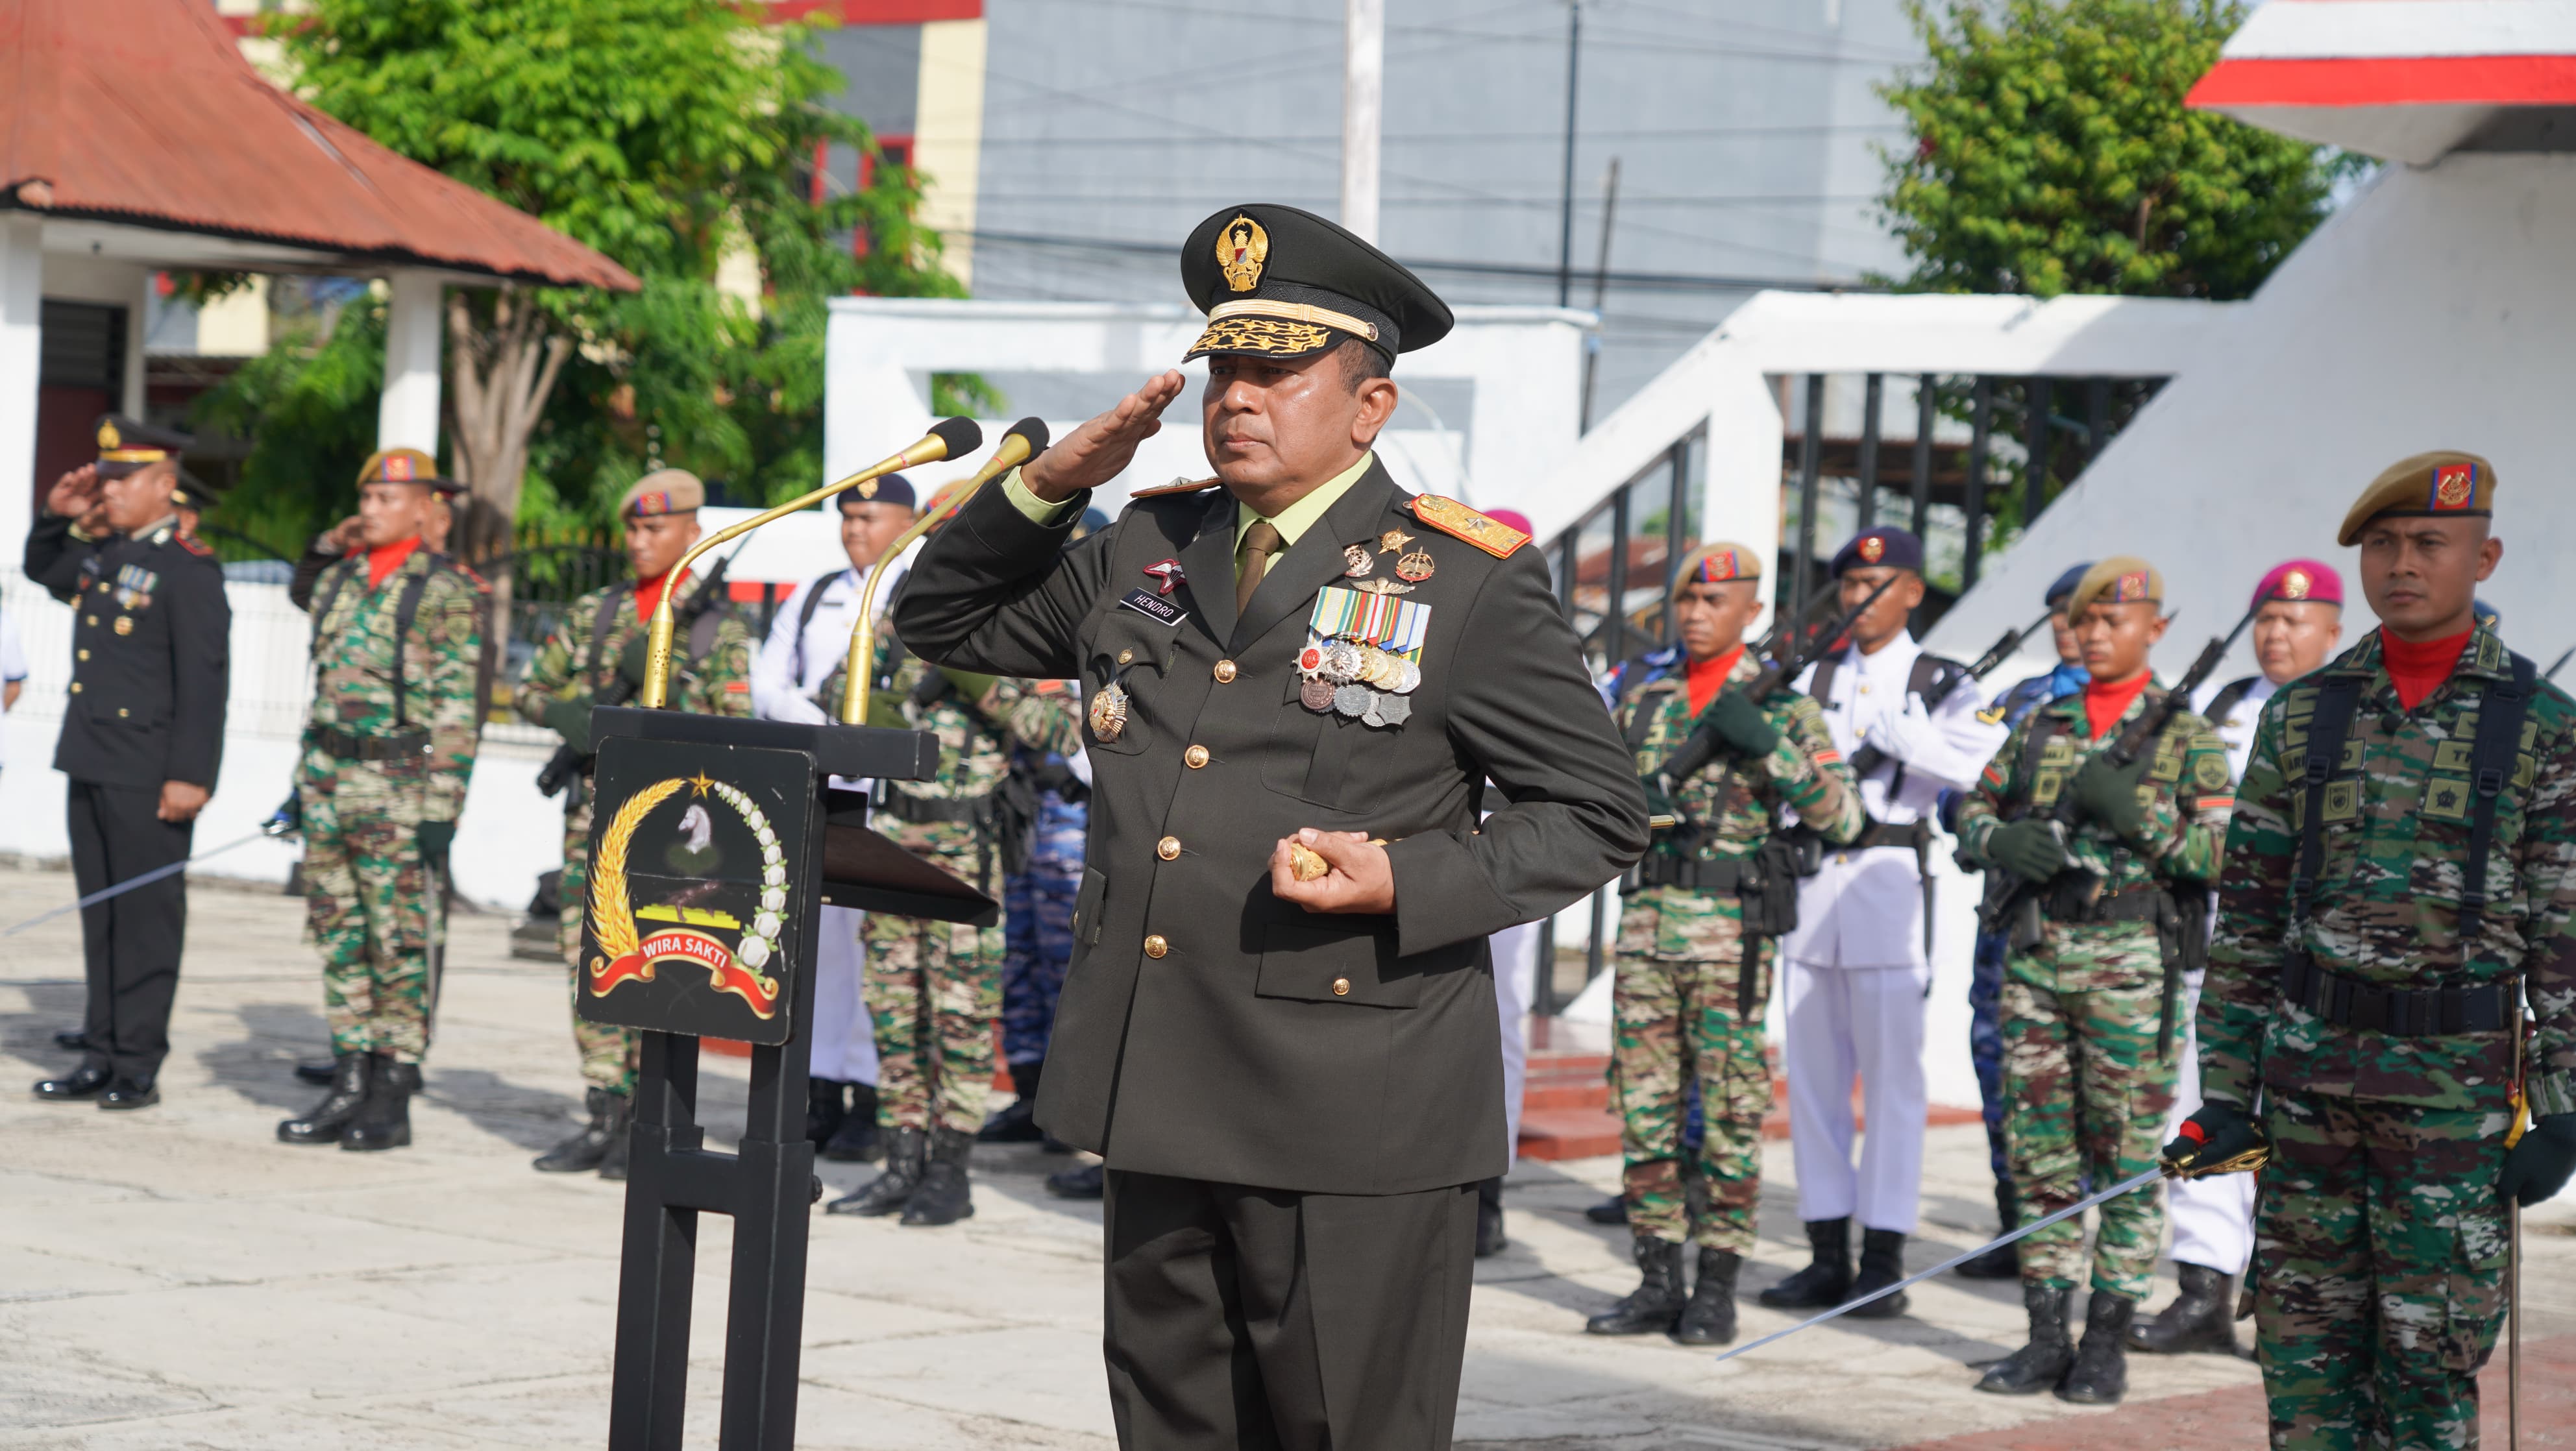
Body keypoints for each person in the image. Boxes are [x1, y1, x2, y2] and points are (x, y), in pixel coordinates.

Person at [892, 202, 1649, 1448]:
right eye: (1223, 369)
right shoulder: (1144, 540)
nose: (1237, 396)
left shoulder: (1464, 580)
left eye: (1277, 370)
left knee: (1343, 1427)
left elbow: (1596, 813)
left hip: (1349, 1107)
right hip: (1158, 1076)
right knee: (1174, 1426)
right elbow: (939, 623)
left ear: (1368, 407)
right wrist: (1039, 488)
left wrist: (1403, 878)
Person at [2178, 452, 2576, 1449]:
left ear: (2482, 556)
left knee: (2429, 1369)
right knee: (2305, 1363)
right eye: (2384, 545)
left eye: (2429, 544)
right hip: (2309, 1095)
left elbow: (2566, 939)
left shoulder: (2539, 728)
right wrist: (2228, 1094)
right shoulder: (2304, 714)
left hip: (2453, 1105)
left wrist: (2568, 1114)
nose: (2403, 563)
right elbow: (2251, 922)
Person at [1954, 555, 2232, 1404]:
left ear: (2155, 627)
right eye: (2086, 620)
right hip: (2038, 961)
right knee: (2039, 1156)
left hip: (2131, 970)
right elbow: (1971, 808)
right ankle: (2044, 1337)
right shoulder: (2043, 723)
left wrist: (2135, 811)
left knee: (2123, 1160)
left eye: (2118, 619)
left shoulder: (2185, 737)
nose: (2098, 633)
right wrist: (1999, 844)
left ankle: (2104, 1339)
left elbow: (2226, 856)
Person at [1582, 543, 1863, 1345]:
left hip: (1731, 937)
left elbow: (1840, 817)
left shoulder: (1785, 709)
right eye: (1688, 602)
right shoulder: (1645, 700)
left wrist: (1765, 744)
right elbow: (1593, 801)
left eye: (1715, 602)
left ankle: (1716, 1286)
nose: (1697, 614)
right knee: (1645, 1111)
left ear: (1752, 612)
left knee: (1733, 1111)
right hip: (1646, 930)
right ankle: (1656, 1278)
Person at [1765, 526, 2005, 1317]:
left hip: (1888, 888)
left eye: (1878, 584)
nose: (1858, 599)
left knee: (1895, 1084)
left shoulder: (1944, 679)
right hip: (1810, 894)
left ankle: (1885, 1257)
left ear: (1912, 592)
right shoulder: (1811, 674)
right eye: (1848, 585)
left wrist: (1926, 747)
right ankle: (1826, 1250)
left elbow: (1994, 775)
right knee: (1814, 1082)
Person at [823, 520, 1081, 1227]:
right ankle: (902, 1159)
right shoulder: (903, 612)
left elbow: (1062, 731)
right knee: (895, 1005)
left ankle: (950, 1169)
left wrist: (977, 680)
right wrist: (887, 706)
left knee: (961, 1013)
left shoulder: (1022, 628)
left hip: (969, 849)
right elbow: (833, 696)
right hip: (895, 840)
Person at [2129, 559, 2344, 1354]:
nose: (2276, 634)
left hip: (2315, 951)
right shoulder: (2215, 709)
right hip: (2219, 940)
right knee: (2208, 1104)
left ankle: (2292, 1300)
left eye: (2295, 621)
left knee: (2307, 1126)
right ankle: (2202, 1288)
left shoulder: (2351, 715)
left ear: (2333, 630)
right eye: (2266, 619)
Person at [517, 470, 754, 1178]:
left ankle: (651, 1121)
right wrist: (581, 720)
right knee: (586, 962)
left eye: (657, 528)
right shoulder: (597, 610)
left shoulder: (715, 622)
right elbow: (532, 688)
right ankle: (603, 1111)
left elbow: (736, 725)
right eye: (634, 529)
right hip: (593, 817)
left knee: (661, 964)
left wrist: (669, 694)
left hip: (674, 833)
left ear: (692, 531)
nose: (642, 541)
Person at [274, 450, 482, 1152]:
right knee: (339, 935)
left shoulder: (445, 589)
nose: (372, 509)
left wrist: (441, 811)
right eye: (367, 496)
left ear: (425, 509)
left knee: (398, 943)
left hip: (398, 790)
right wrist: (302, 785)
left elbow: (458, 709)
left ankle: (392, 1091)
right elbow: (324, 689)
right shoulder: (339, 581)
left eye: (389, 498)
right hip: (330, 780)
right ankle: (350, 1075)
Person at [25, 417, 232, 1111]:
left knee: (146, 919)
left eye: (122, 479)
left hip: (151, 773)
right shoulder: (107, 554)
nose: (108, 491)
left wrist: (191, 775)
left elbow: (205, 682)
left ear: (164, 485)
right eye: (105, 478)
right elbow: (45, 570)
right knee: (102, 915)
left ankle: (137, 1062)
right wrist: (57, 518)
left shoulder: (189, 567)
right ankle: (101, 1048)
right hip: (92, 759)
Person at [750, 473, 922, 1165]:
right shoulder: (818, 593)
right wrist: (828, 730)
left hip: (893, 798)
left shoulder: (921, 593)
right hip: (826, 787)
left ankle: (872, 1095)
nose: (856, 529)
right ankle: (822, 1089)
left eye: (870, 516)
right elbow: (768, 681)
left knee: (876, 951)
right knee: (823, 944)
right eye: (848, 516)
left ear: (905, 521)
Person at [1955, 561, 2092, 1281]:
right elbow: (1965, 794)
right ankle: (2017, 1223)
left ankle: (2071, 1226)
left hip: (2095, 926)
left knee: (2093, 1083)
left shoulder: (2144, 708)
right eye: (2063, 614)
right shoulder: (2018, 701)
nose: (2074, 629)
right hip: (2011, 913)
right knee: (2000, 1061)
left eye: (2088, 612)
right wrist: (1996, 831)